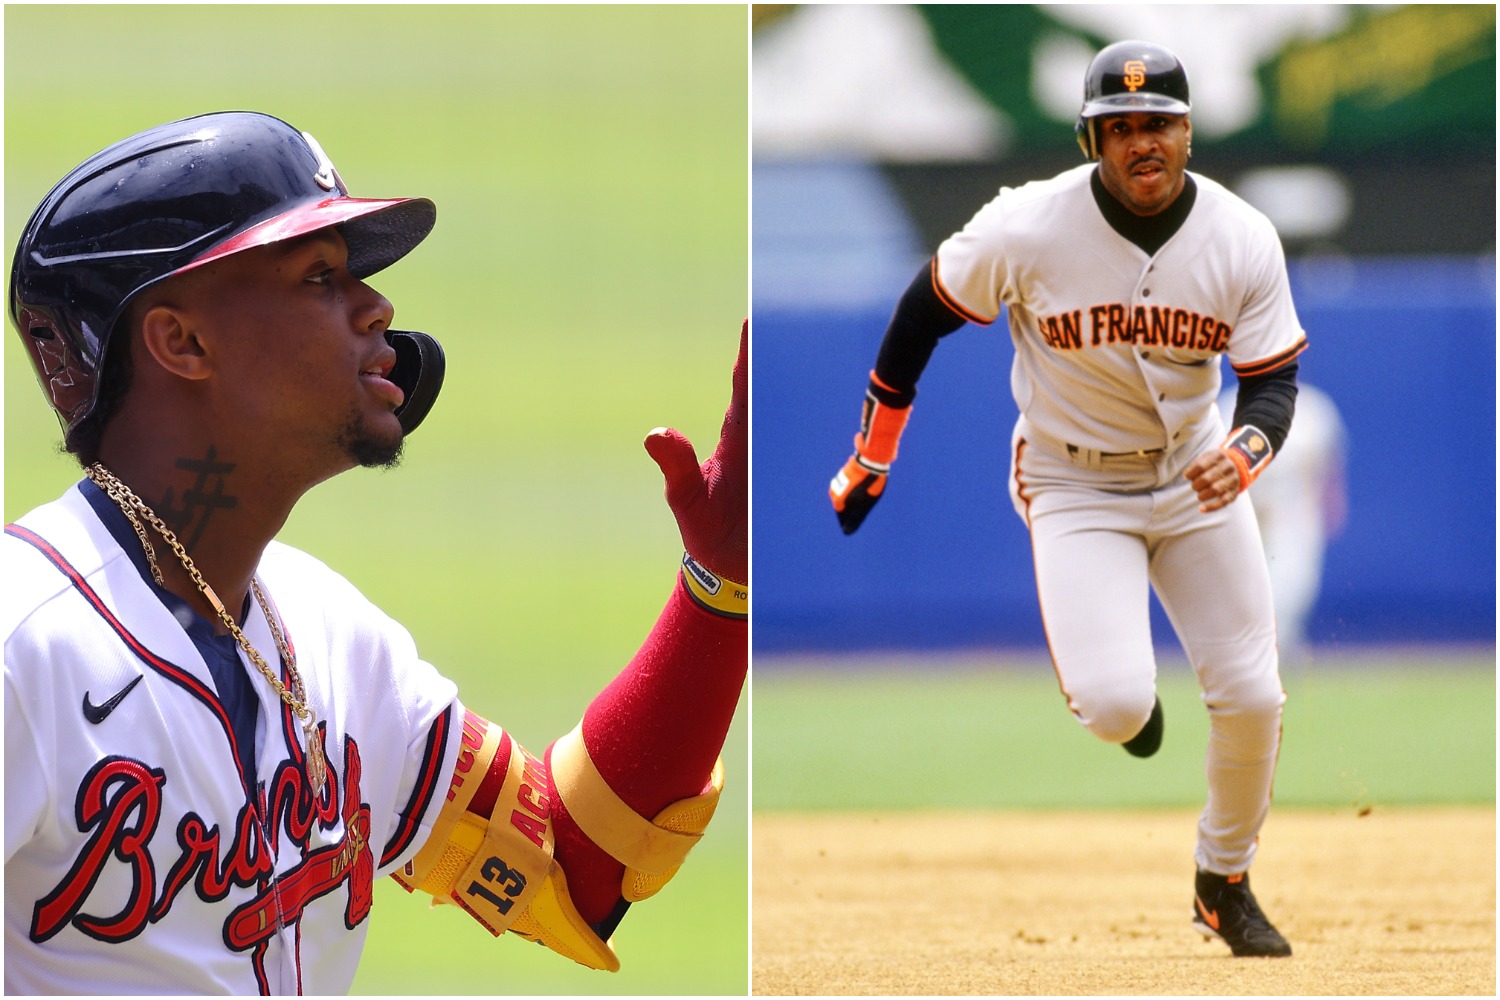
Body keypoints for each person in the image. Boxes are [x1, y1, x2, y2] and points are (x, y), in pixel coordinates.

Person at [3, 111, 747, 994]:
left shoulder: (328, 633)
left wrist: (718, 592)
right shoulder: (25, 647)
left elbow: (568, 867)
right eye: (319, 276)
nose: (377, 306)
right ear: (182, 342)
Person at [829, 41, 1303, 958]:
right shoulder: (1025, 226)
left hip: (1197, 471)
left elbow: (1274, 381)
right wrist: (871, 457)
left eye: (1157, 124)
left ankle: (1224, 880)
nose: (1142, 143)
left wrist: (1247, 450)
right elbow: (920, 315)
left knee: (1252, 696)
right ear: (1091, 142)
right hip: (1073, 478)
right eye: (1119, 128)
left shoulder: (1243, 236)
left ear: (1188, 132)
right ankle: (1130, 703)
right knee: (1119, 708)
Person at [1218, 382, 1347, 665]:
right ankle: (1249, 653)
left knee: (1293, 584)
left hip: (1293, 509)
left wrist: (1333, 503)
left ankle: (1280, 647)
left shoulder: (1314, 407)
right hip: (1246, 508)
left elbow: (1330, 464)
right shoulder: (1229, 404)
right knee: (1243, 587)